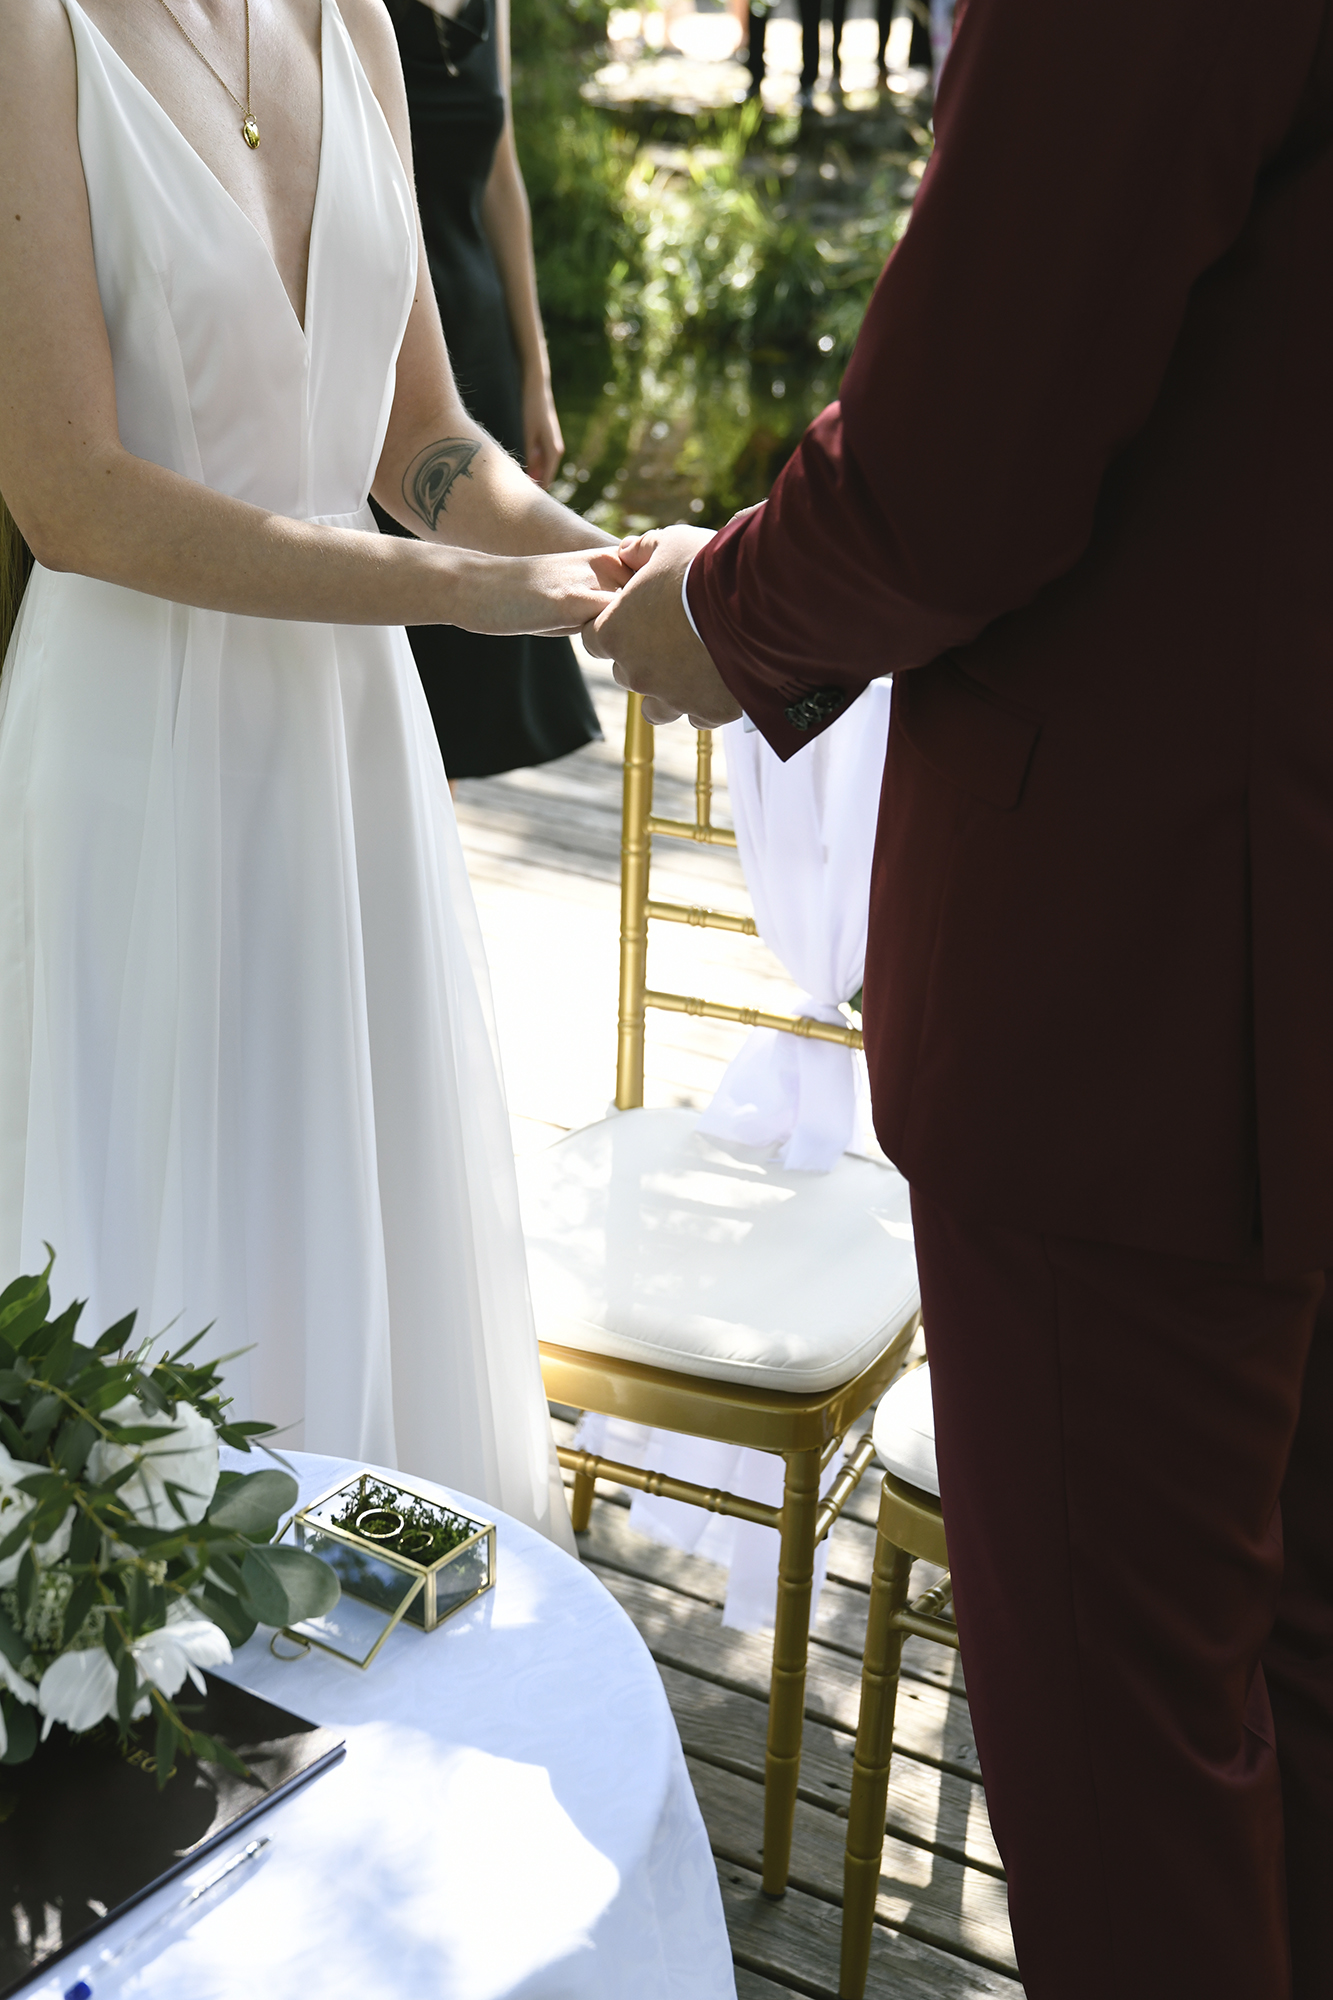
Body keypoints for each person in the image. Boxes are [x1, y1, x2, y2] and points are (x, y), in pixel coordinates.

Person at [583, 0, 1333, 1991]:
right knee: (1285, 1696)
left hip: (1144, 983)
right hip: (1249, 931)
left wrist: (730, 613)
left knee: (1127, 1787)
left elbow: (969, 447)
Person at [0, 0, 630, 1547]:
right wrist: (460, 594)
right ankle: (140, 1653)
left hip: (350, 744)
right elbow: (70, 497)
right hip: (136, 745)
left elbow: (421, 440)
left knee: (349, 1182)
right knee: (147, 1234)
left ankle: (368, 1617)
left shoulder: (353, 18)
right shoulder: (31, 32)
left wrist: (614, 574)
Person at [372, 0, 603, 782]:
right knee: (399, 642)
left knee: (474, 680)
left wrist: (535, 371)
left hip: (474, 329)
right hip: (381, 337)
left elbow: (502, 179)